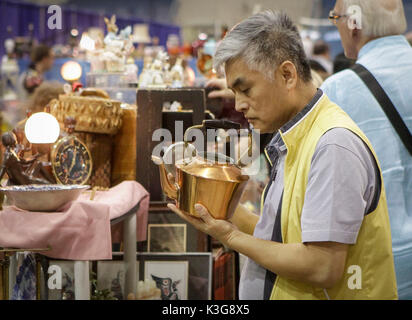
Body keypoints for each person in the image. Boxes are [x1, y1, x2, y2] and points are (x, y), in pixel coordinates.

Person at [168, 10, 397, 300]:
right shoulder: (294, 136)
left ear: (287, 75)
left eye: (245, 89)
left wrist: (231, 237)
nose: (238, 104)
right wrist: (216, 210)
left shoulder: (332, 146)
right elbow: (280, 239)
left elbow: (321, 266)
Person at [321, 0, 412, 299]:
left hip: (383, 264)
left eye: (336, 17)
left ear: (354, 24)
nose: (336, 24)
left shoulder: (336, 91)